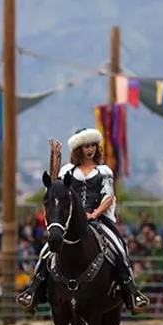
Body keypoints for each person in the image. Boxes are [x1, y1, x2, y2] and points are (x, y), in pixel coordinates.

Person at [15, 128, 150, 314]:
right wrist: (54, 159)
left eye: (93, 145)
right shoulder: (67, 170)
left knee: (118, 245)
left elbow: (109, 196)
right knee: (47, 250)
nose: (90, 149)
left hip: (98, 218)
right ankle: (33, 289)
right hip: (71, 220)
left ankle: (132, 291)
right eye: (86, 146)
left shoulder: (103, 171)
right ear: (79, 148)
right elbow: (55, 188)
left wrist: (94, 214)